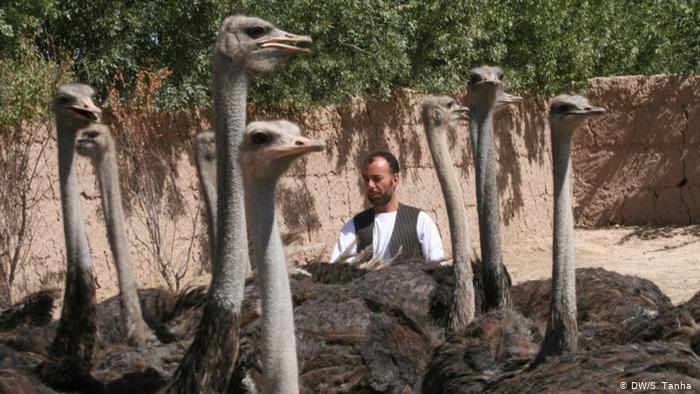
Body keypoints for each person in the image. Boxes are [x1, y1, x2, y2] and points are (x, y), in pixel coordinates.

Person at [330, 150, 444, 263]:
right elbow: (338, 272)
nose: (370, 185)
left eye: (377, 179)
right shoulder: (354, 226)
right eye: (366, 179)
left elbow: (438, 270)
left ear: (395, 179)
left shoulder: (420, 221)